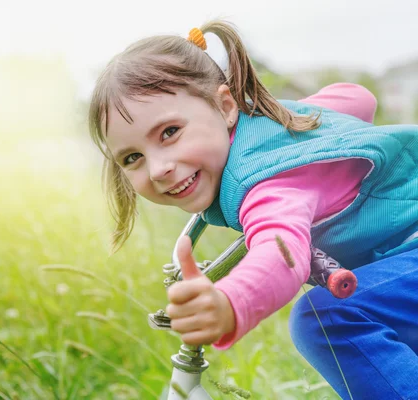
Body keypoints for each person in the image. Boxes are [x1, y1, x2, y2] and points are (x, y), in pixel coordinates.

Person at [87, 18, 418, 399]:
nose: (158, 167)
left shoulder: (261, 182)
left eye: (169, 133)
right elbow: (358, 97)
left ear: (226, 106)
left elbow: (281, 252)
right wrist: (299, 122)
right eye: (132, 157)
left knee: (328, 318)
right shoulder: (271, 125)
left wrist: (230, 302)